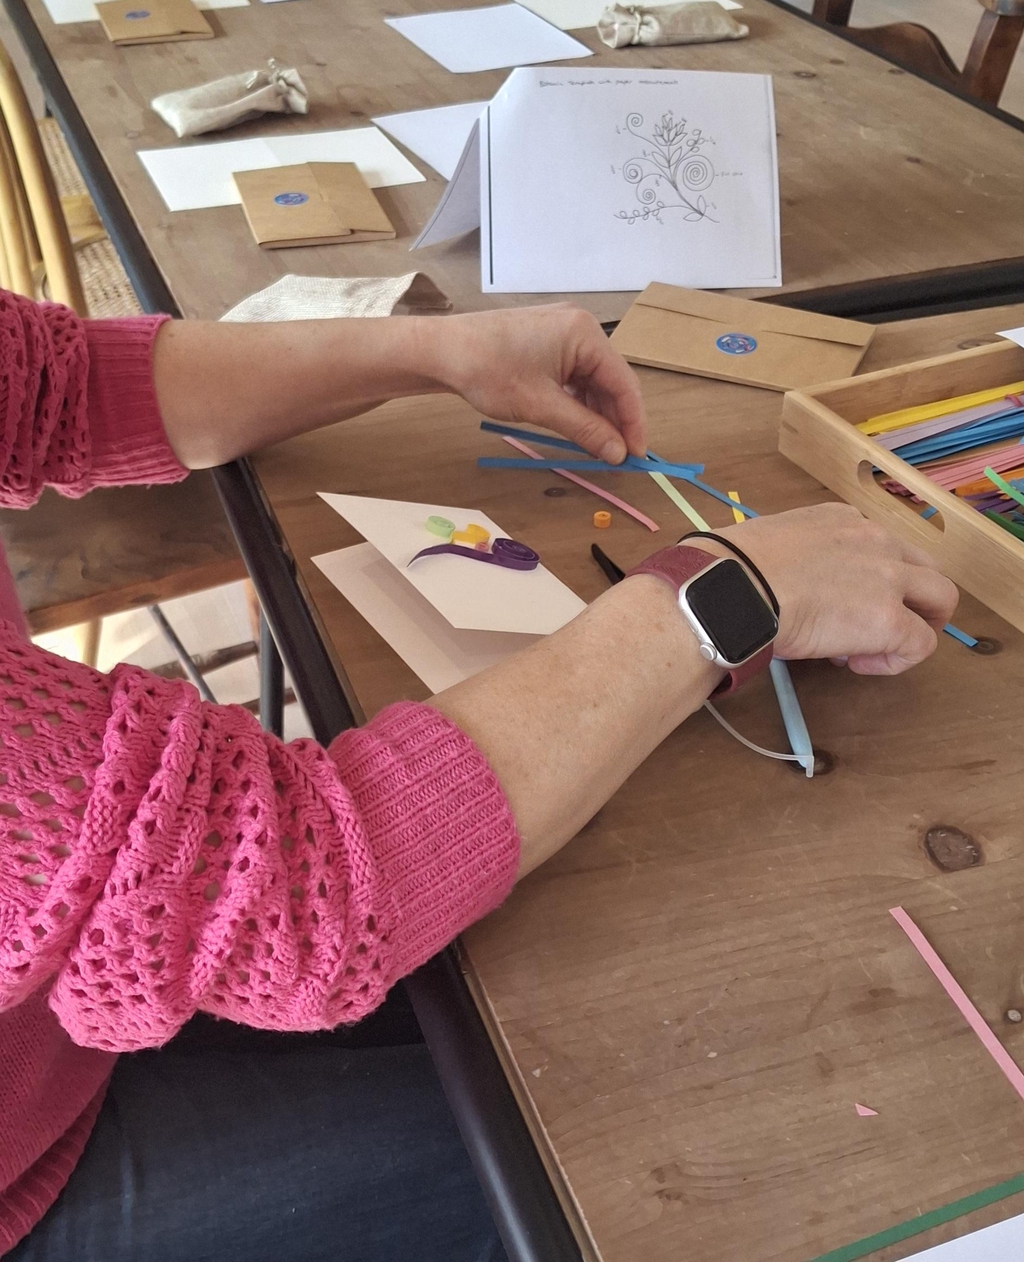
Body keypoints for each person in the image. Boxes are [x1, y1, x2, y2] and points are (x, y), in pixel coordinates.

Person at [0, 290, 958, 1261]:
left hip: (42, 1023)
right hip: (25, 1183)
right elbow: (300, 891)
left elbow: (52, 388)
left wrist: (432, 349)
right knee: (668, 1144)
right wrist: (722, 596)